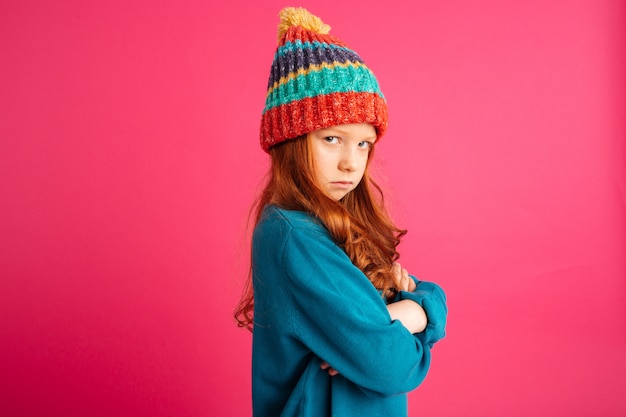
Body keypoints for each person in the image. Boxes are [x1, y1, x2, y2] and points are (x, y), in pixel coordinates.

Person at [234, 7, 447, 417]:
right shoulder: (292, 234)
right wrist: (413, 314)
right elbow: (390, 364)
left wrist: (415, 309)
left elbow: (428, 296)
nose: (352, 162)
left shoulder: (332, 226)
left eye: (363, 143)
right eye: (332, 138)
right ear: (292, 140)